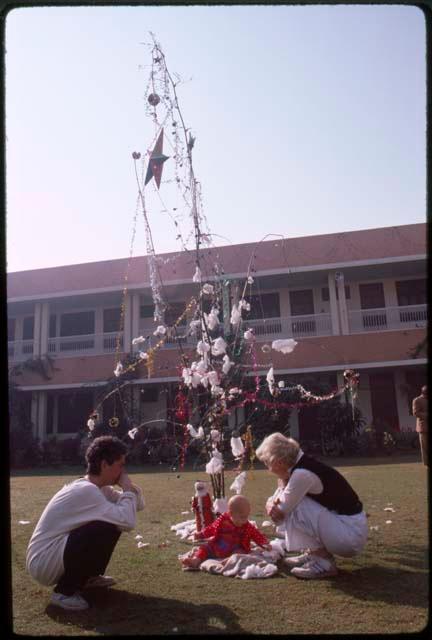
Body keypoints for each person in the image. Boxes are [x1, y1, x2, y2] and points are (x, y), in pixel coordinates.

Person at [26, 436, 144, 611]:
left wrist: (129, 488)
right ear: (105, 465)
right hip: (44, 561)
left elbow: (138, 506)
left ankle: (87, 578)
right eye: (120, 465)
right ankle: (64, 593)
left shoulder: (99, 488)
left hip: (52, 555)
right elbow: (127, 521)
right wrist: (126, 489)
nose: (123, 471)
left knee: (110, 521)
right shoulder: (86, 490)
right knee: (104, 526)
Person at [255, 432, 368, 580]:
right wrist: (272, 502)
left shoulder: (301, 474)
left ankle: (324, 563)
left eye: (267, 464)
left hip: (349, 536)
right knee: (296, 501)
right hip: (348, 528)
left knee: (298, 504)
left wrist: (273, 503)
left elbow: (279, 515)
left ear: (279, 462)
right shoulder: (300, 466)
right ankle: (315, 554)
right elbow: (276, 503)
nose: (269, 469)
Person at [180, 495, 271, 570]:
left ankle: (229, 560)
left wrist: (264, 543)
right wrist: (201, 534)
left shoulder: (247, 526)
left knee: (240, 553)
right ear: (230, 514)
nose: (245, 520)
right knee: (204, 548)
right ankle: (195, 560)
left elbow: (256, 534)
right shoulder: (223, 520)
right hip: (219, 545)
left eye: (246, 517)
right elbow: (212, 528)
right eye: (242, 517)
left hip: (235, 548)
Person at [412, 385, 428, 466]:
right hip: (423, 427)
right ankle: (427, 463)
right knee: (425, 447)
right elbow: (415, 413)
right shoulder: (417, 400)